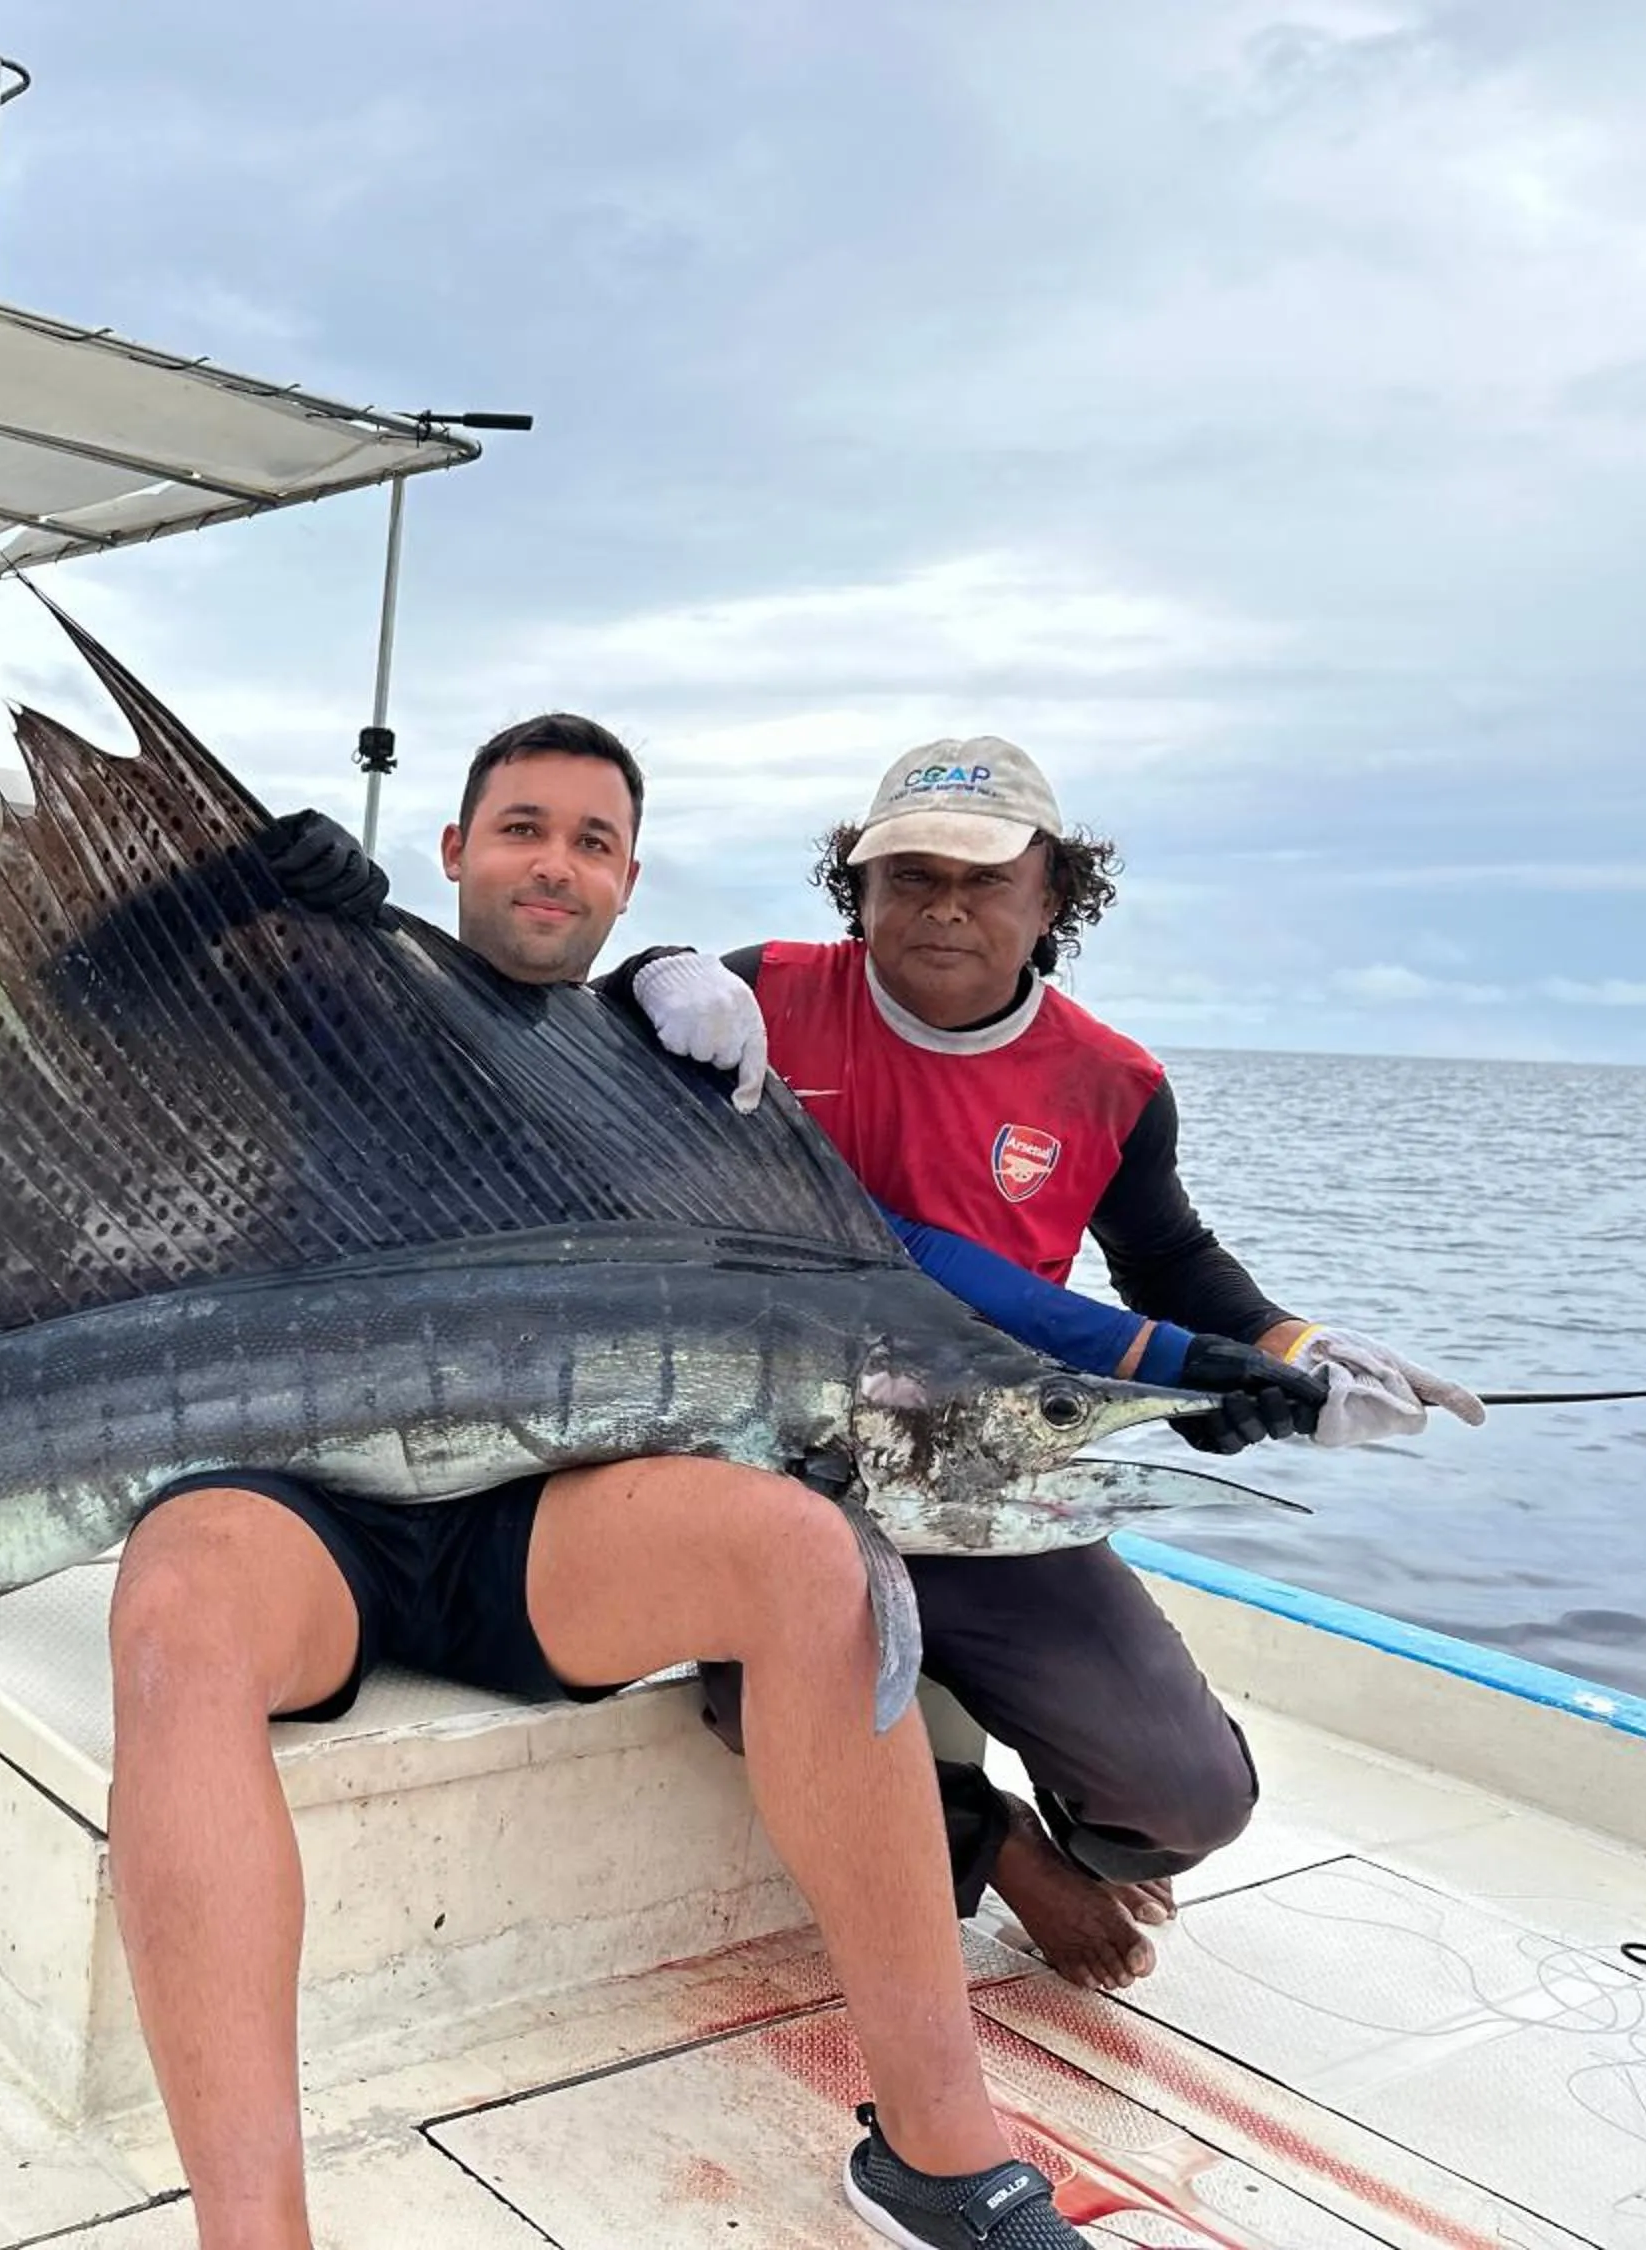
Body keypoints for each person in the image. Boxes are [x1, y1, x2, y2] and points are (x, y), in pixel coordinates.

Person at [111, 716, 1314, 2250]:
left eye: (592, 842)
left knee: (812, 1554)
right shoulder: (326, 984)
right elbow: (103, 998)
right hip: (306, 1505)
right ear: (452, 849)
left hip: (537, 1514)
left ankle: (941, 2155)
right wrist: (214, 893)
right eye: (522, 827)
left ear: (627, 888)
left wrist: (1198, 1353)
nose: (554, 861)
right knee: (178, 1598)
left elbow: (910, 1258)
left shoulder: (662, 1047)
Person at [634, 735, 1482, 1990]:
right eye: (908, 876)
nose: (944, 907)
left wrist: (1292, 1349)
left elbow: (1171, 1262)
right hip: (763, 1470)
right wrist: (649, 969)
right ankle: (1001, 1849)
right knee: (758, 1690)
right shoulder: (761, 995)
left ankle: (1076, 1836)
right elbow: (569, 1075)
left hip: (981, 1480)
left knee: (1187, 1799)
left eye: (984, 879)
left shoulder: (1114, 1085)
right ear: (856, 890)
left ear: (1053, 899)